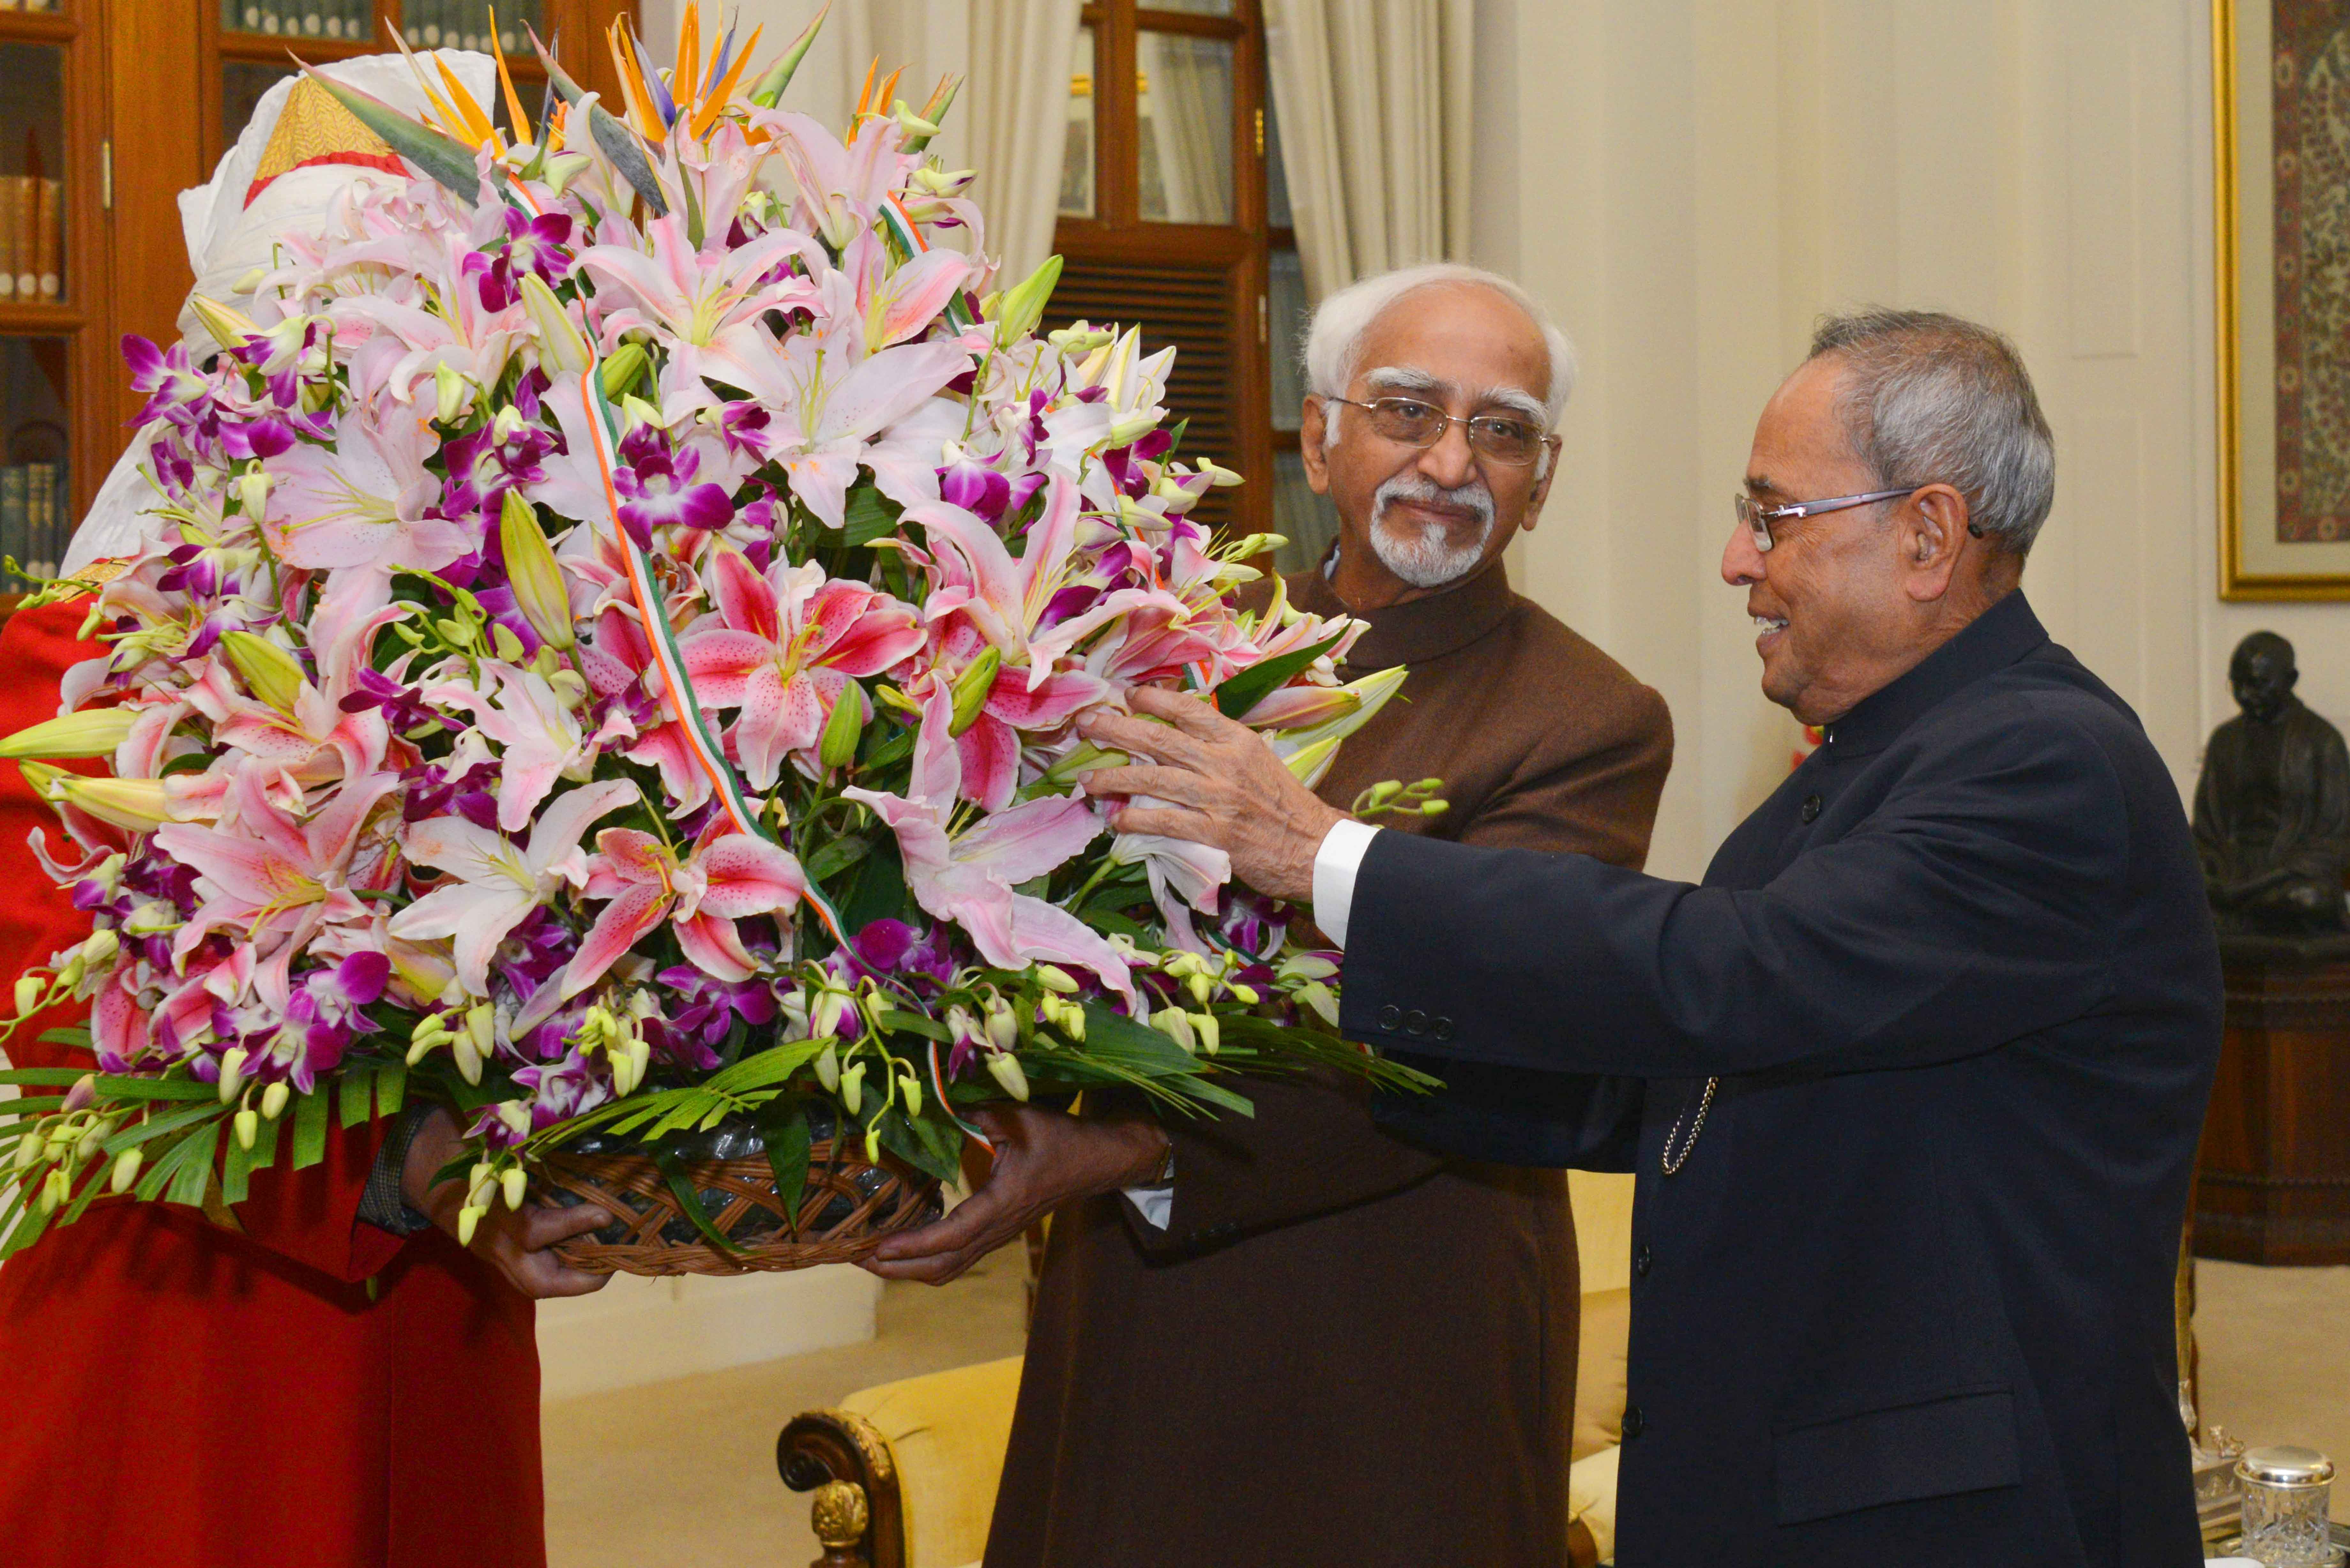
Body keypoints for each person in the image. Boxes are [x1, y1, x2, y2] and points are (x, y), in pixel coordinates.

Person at [1077, 309, 2222, 1567]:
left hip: (1954, 1521)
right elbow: (1656, 1081)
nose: (1737, 559)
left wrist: (1322, 856)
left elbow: (1736, 973)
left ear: (1927, 535)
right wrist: (1174, 1119)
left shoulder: (2046, 764)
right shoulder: (1861, 771)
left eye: (1774, 516)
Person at [868, 264, 1672, 1568]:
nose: (1453, 458)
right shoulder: (1174, 637)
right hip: (1130, 1291)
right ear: (1321, 434)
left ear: (1546, 474)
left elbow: (1480, 1034)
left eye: (1503, 427)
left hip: (1395, 1319)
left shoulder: (1583, 715)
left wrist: (1126, 1145)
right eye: (1408, 409)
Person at [0, 57, 608, 1568]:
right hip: (177, 1376)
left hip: (446, 1359)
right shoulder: (71, 664)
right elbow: (85, 1042)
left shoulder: (502, 669)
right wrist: (400, 1167)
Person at [2192, 630, 2350, 932]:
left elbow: (2336, 838)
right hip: (2231, 872)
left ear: (2290, 680)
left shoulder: (2322, 741)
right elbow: (2206, 830)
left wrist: (2258, 884)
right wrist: (2218, 873)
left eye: (2259, 684)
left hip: (2286, 881)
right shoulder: (2225, 740)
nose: (2247, 695)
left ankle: (2242, 913)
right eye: (2238, 685)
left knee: (2310, 899)